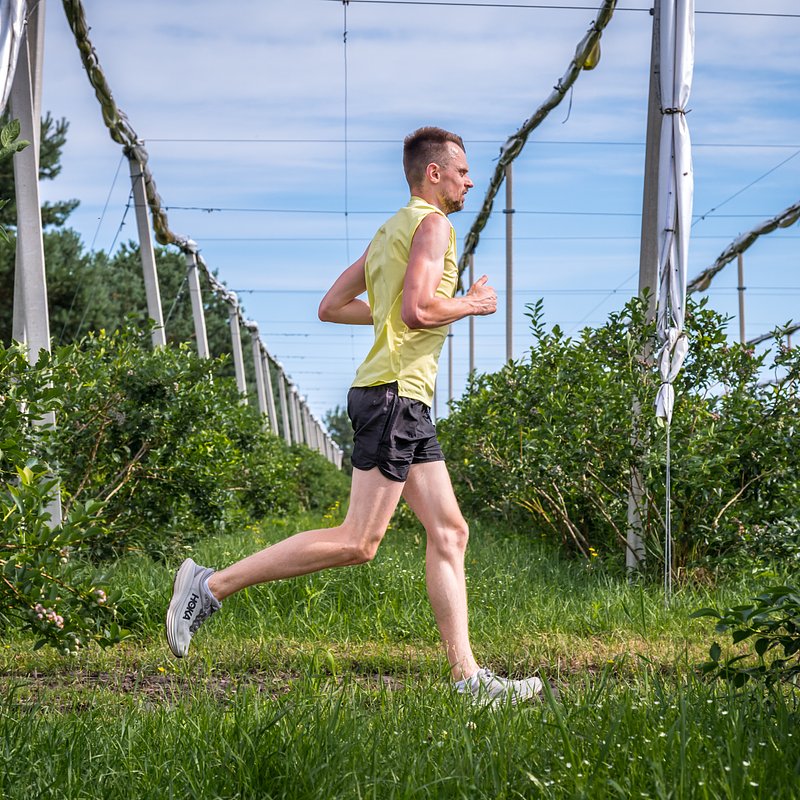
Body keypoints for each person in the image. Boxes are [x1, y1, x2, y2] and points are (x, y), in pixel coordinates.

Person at [166, 126, 543, 704]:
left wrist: (395, 315)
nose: (470, 180)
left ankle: (468, 679)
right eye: (462, 170)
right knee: (358, 542)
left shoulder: (391, 229)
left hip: (399, 396)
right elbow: (418, 311)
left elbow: (331, 306)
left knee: (450, 531)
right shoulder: (434, 225)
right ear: (433, 173)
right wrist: (470, 303)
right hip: (394, 394)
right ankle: (209, 586)